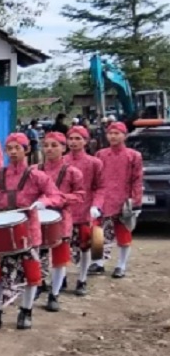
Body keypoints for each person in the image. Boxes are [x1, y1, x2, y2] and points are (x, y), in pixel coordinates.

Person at [0, 133, 62, 330]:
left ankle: (26, 312)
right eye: (10, 148)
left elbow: (55, 195)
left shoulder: (38, 176)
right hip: (0, 230)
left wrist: (44, 202)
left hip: (29, 230)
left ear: (26, 150)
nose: (13, 152)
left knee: (31, 273)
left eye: (18, 148)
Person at [37, 131, 84, 312]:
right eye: (46, 145)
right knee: (36, 255)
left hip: (61, 219)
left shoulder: (72, 172)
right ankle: (38, 283)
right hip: (37, 220)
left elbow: (79, 196)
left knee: (59, 258)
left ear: (64, 148)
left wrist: (57, 199)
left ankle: (54, 293)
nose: (49, 149)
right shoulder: (34, 170)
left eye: (54, 145)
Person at [95, 121, 144, 278]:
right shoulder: (100, 154)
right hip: (103, 200)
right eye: (110, 133)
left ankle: (121, 265)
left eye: (117, 133)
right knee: (98, 233)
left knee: (123, 234)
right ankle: (98, 263)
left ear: (125, 135)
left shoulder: (133, 156)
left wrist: (136, 201)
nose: (113, 136)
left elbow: (137, 179)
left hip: (124, 201)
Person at [63, 125, 105, 296]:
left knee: (85, 246)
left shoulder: (95, 163)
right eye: (71, 139)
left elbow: (100, 187)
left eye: (78, 139)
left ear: (86, 141)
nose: (73, 142)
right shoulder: (61, 161)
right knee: (61, 245)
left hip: (85, 210)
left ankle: (82, 279)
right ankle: (62, 276)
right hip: (63, 210)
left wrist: (96, 205)